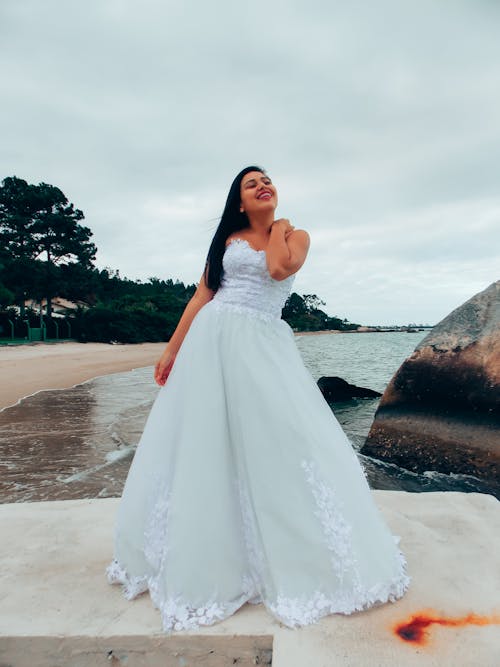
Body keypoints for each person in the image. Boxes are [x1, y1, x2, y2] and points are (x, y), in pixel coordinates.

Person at [106, 165, 411, 633]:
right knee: (206, 440)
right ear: (240, 201)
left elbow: (276, 269)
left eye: (267, 180)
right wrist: (172, 347)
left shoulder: (296, 235)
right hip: (213, 343)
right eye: (251, 184)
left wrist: (279, 227)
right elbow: (202, 295)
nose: (263, 185)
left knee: (280, 439)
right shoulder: (225, 242)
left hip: (263, 345)